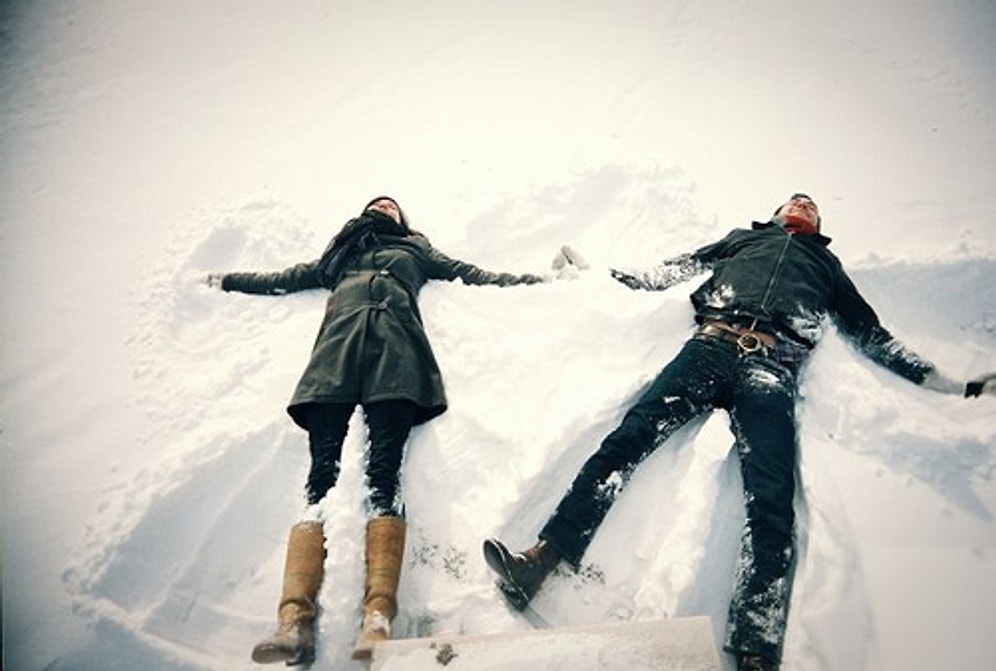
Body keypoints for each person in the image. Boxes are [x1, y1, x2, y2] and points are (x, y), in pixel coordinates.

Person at [482, 193, 995, 671]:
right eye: (795, 200)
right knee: (625, 442)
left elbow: (872, 335)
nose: (803, 203)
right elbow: (673, 269)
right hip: (709, 346)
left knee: (771, 495)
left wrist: (951, 383)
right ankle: (540, 562)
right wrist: (599, 277)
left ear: (818, 227)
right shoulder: (743, 239)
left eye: (811, 205)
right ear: (776, 215)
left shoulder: (827, 267)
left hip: (770, 368)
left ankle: (756, 644)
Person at [208, 196, 544, 665]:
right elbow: (284, 278)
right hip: (336, 353)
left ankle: (377, 618)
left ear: (403, 220)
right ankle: (292, 623)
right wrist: (227, 279)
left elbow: (473, 273)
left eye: (392, 205)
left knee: (384, 473)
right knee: (320, 477)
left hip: (397, 354)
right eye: (377, 203)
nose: (385, 206)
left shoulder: (417, 250)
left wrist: (537, 280)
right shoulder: (339, 255)